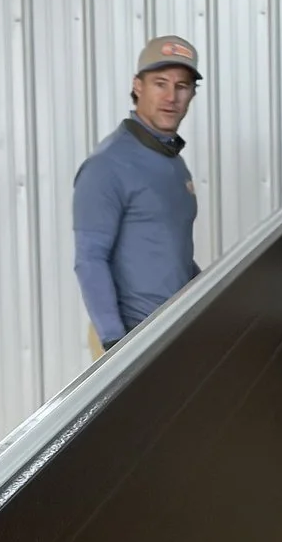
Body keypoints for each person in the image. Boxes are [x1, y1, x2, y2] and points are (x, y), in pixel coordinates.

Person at [72, 37, 203, 351]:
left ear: (192, 94)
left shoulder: (173, 162)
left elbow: (174, 252)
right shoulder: (107, 165)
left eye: (181, 86)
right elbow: (90, 259)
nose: (171, 97)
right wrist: (115, 343)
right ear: (138, 86)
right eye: (160, 83)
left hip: (172, 332)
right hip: (131, 339)